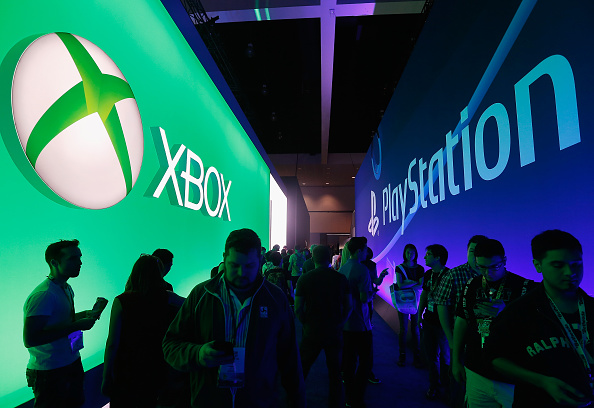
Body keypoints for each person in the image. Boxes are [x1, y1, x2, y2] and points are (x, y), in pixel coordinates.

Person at [162, 228, 305, 408]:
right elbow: (170, 344)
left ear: (260, 261)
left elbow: (290, 358)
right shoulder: (201, 295)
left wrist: (297, 400)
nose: (241, 273)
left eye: (249, 266)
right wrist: (198, 354)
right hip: (208, 401)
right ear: (224, 258)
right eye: (234, 265)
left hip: (260, 402)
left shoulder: (276, 299)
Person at [486, 230, 593, 408]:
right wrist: (542, 381)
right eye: (558, 265)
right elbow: (494, 358)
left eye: (576, 264)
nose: (570, 272)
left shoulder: (590, 308)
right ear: (538, 265)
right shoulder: (519, 311)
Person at [452, 239, 534, 408]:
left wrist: (506, 313)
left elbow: (532, 332)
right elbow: (461, 322)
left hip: (511, 377)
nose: (487, 273)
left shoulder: (524, 288)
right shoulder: (471, 285)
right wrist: (456, 360)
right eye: (481, 267)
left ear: (504, 261)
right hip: (476, 371)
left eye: (493, 267)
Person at [23, 239, 102, 408]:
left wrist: (83, 315)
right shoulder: (43, 295)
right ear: (54, 262)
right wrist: (77, 325)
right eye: (73, 258)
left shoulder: (65, 287)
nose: (80, 262)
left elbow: (59, 323)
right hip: (50, 371)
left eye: (80, 257)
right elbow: (31, 338)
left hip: (70, 362)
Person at [102, 254, 187, 408]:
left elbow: (112, 343)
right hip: (156, 363)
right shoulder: (168, 297)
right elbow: (191, 305)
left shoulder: (121, 301)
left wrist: (106, 376)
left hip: (127, 366)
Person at [432, 234, 488, 407]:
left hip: (487, 344)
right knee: (458, 385)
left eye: (480, 252)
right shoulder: (454, 275)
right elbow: (441, 305)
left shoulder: (493, 274)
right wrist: (451, 340)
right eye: (472, 251)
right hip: (462, 342)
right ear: (467, 252)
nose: (476, 256)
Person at [295, 245, 352, 408]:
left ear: (313, 258)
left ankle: (296, 401)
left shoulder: (304, 279)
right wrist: (341, 323)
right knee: (335, 373)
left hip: (312, 331)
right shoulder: (340, 278)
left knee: (302, 369)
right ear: (330, 258)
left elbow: (298, 308)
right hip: (334, 331)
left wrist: (305, 322)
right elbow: (349, 306)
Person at [339, 237, 373, 408]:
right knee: (366, 362)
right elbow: (364, 298)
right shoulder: (363, 270)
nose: (367, 252)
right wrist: (372, 293)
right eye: (366, 248)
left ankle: (348, 397)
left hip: (345, 324)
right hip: (360, 324)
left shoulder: (342, 269)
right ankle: (356, 398)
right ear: (359, 251)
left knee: (349, 361)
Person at [418, 244, 450, 400]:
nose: (425, 257)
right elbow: (424, 295)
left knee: (446, 358)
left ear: (438, 257)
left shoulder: (450, 275)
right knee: (431, 357)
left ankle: (448, 387)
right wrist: (419, 315)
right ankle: (434, 386)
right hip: (429, 321)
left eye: (428, 254)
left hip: (444, 325)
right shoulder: (428, 274)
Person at [394, 243, 424, 367]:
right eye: (408, 252)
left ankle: (417, 356)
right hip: (403, 301)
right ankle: (402, 355)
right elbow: (400, 285)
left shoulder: (420, 268)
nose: (410, 254)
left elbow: (421, 285)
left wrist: (408, 283)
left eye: (412, 252)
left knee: (415, 329)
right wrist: (414, 282)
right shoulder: (399, 268)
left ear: (416, 253)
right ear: (404, 253)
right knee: (403, 329)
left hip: (416, 301)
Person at [361, 247, 389, 384]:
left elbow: (376, 282)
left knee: (365, 334)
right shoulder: (355, 264)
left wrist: (382, 276)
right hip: (362, 301)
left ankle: (364, 370)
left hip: (367, 301)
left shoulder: (371, 265)